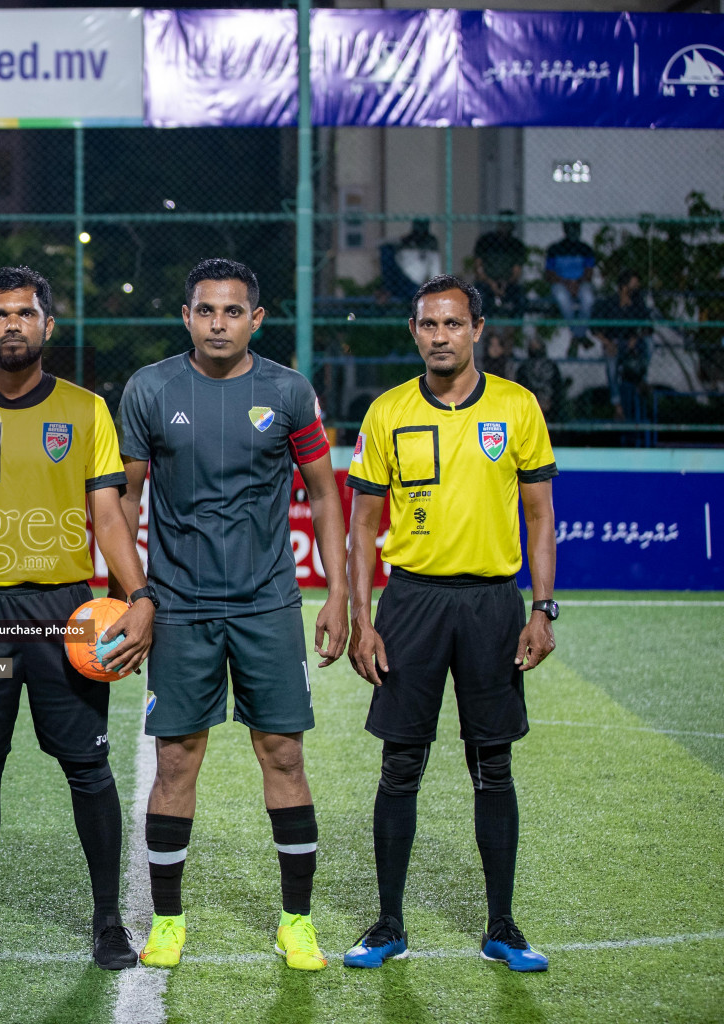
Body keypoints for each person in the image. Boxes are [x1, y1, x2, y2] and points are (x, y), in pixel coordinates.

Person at [0, 265, 156, 973]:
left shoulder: (85, 410)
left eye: (25, 313)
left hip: (63, 613)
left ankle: (107, 922)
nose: (11, 324)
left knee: (87, 767)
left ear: (49, 325)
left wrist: (141, 595)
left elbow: (108, 514)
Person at [117, 258, 349, 972]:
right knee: (177, 759)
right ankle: (167, 921)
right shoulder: (150, 389)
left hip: (268, 602)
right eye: (206, 310)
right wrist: (135, 595)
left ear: (257, 318)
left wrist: (338, 593)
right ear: (186, 316)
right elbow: (125, 499)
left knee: (283, 754)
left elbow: (322, 492)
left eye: (232, 311)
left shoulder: (287, 390)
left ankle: (296, 921)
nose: (219, 323)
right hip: (180, 606)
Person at [343, 274, 558, 973]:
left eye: (453, 324)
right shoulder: (386, 412)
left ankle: (503, 925)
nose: (441, 336)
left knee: (492, 764)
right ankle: (388, 924)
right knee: (400, 762)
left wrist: (543, 607)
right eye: (429, 325)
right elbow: (362, 522)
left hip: (494, 603)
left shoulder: (518, 408)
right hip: (410, 603)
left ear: (477, 330)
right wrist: (363, 618)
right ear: (414, 333)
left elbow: (539, 515)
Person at [591, 269, 651, 422]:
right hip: (614, 343)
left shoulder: (638, 303)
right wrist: (607, 343)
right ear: (623, 286)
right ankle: (618, 407)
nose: (636, 287)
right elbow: (594, 329)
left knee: (649, 344)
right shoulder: (609, 303)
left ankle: (641, 380)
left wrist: (635, 338)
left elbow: (647, 327)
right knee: (611, 366)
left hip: (632, 343)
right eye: (633, 284)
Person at [544, 221, 597, 345]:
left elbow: (589, 272)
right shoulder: (554, 249)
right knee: (562, 298)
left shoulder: (586, 249)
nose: (574, 232)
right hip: (560, 284)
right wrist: (566, 283)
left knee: (588, 298)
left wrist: (577, 283)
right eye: (571, 229)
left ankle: (577, 334)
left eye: (576, 229)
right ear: (565, 231)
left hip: (581, 283)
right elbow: (549, 273)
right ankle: (579, 334)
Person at [473, 213, 528, 319]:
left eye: (508, 224)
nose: (505, 226)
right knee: (480, 298)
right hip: (486, 283)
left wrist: (505, 284)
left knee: (520, 299)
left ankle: (510, 334)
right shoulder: (485, 241)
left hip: (507, 284)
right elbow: (478, 267)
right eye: (502, 223)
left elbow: (516, 272)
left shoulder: (516, 244)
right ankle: (491, 334)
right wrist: (491, 283)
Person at [515, 336, 564, 421]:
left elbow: (557, 387)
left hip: (550, 405)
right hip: (530, 403)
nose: (535, 347)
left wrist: (549, 401)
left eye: (537, 345)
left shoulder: (551, 366)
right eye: (532, 346)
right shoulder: (524, 367)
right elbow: (521, 386)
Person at [395, 219, 443, 289]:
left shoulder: (430, 242)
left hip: (418, 282)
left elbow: (435, 268)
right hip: (402, 280)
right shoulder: (406, 241)